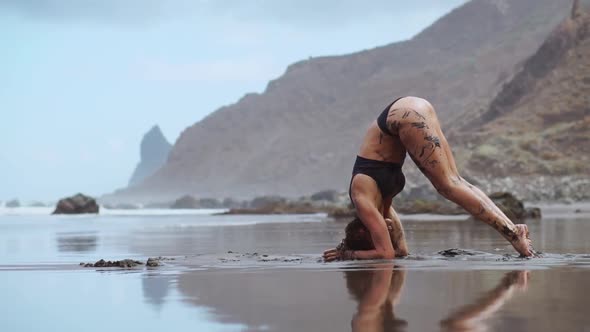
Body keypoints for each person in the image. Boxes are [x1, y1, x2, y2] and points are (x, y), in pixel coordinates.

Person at [323, 96, 535, 262]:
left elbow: (385, 253)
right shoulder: (382, 206)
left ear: (365, 231)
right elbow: (400, 251)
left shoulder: (362, 202)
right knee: (455, 181)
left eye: (378, 235)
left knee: (448, 186)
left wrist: (348, 255)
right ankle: (514, 229)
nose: (385, 230)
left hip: (403, 115)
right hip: (413, 109)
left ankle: (514, 234)